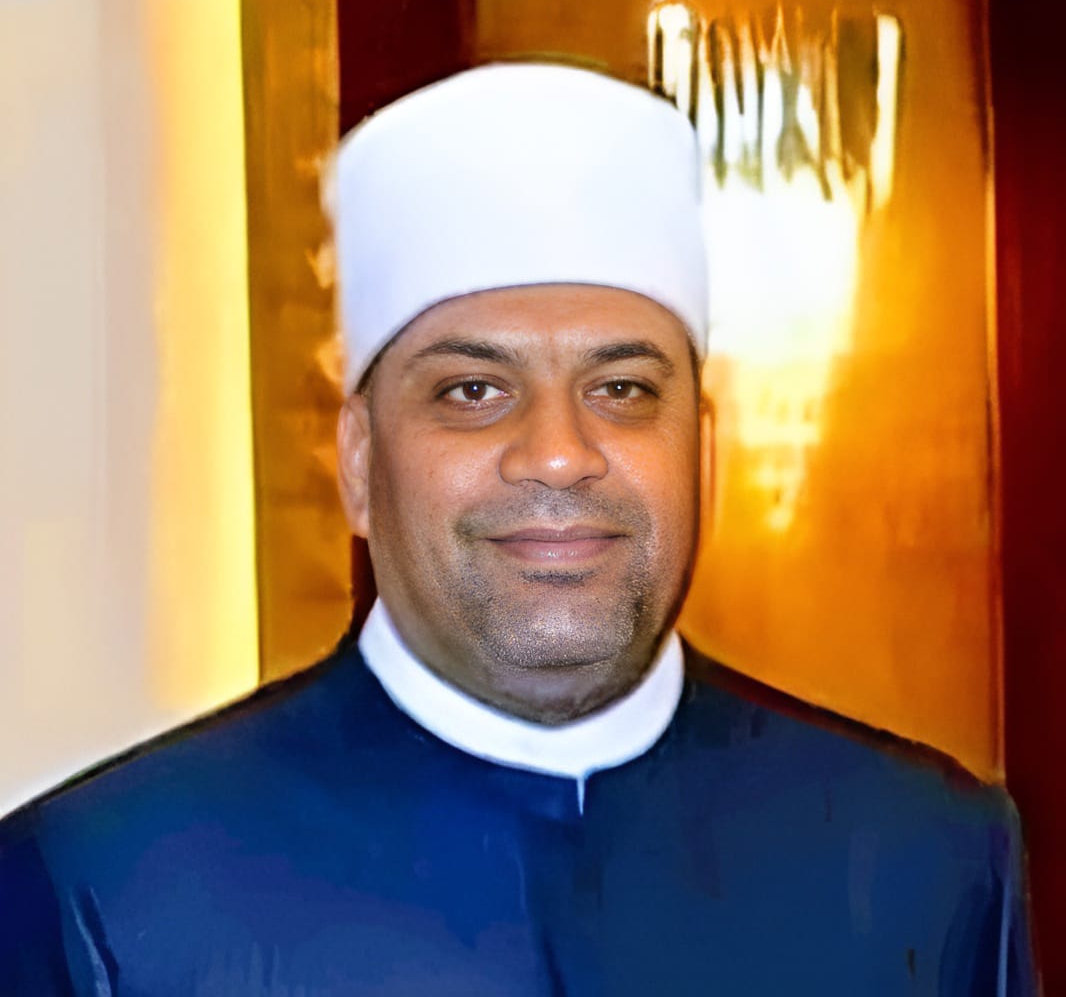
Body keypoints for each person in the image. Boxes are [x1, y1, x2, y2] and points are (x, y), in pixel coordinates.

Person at [0, 63, 1036, 995]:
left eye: (623, 388)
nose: (558, 453)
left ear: (704, 451)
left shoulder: (925, 861)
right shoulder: (105, 894)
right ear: (358, 462)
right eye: (473, 390)